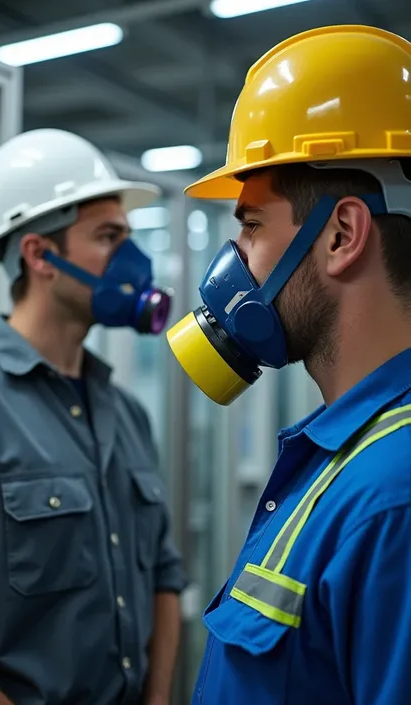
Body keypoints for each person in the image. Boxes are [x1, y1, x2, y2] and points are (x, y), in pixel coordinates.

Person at [167, 24, 411, 705]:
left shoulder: (393, 500)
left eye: (250, 225)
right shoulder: (342, 456)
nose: (235, 260)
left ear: (340, 235)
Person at [0, 128, 185, 705]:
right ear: (40, 255)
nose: (133, 258)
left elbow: (166, 579)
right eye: (108, 236)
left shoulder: (125, 413)